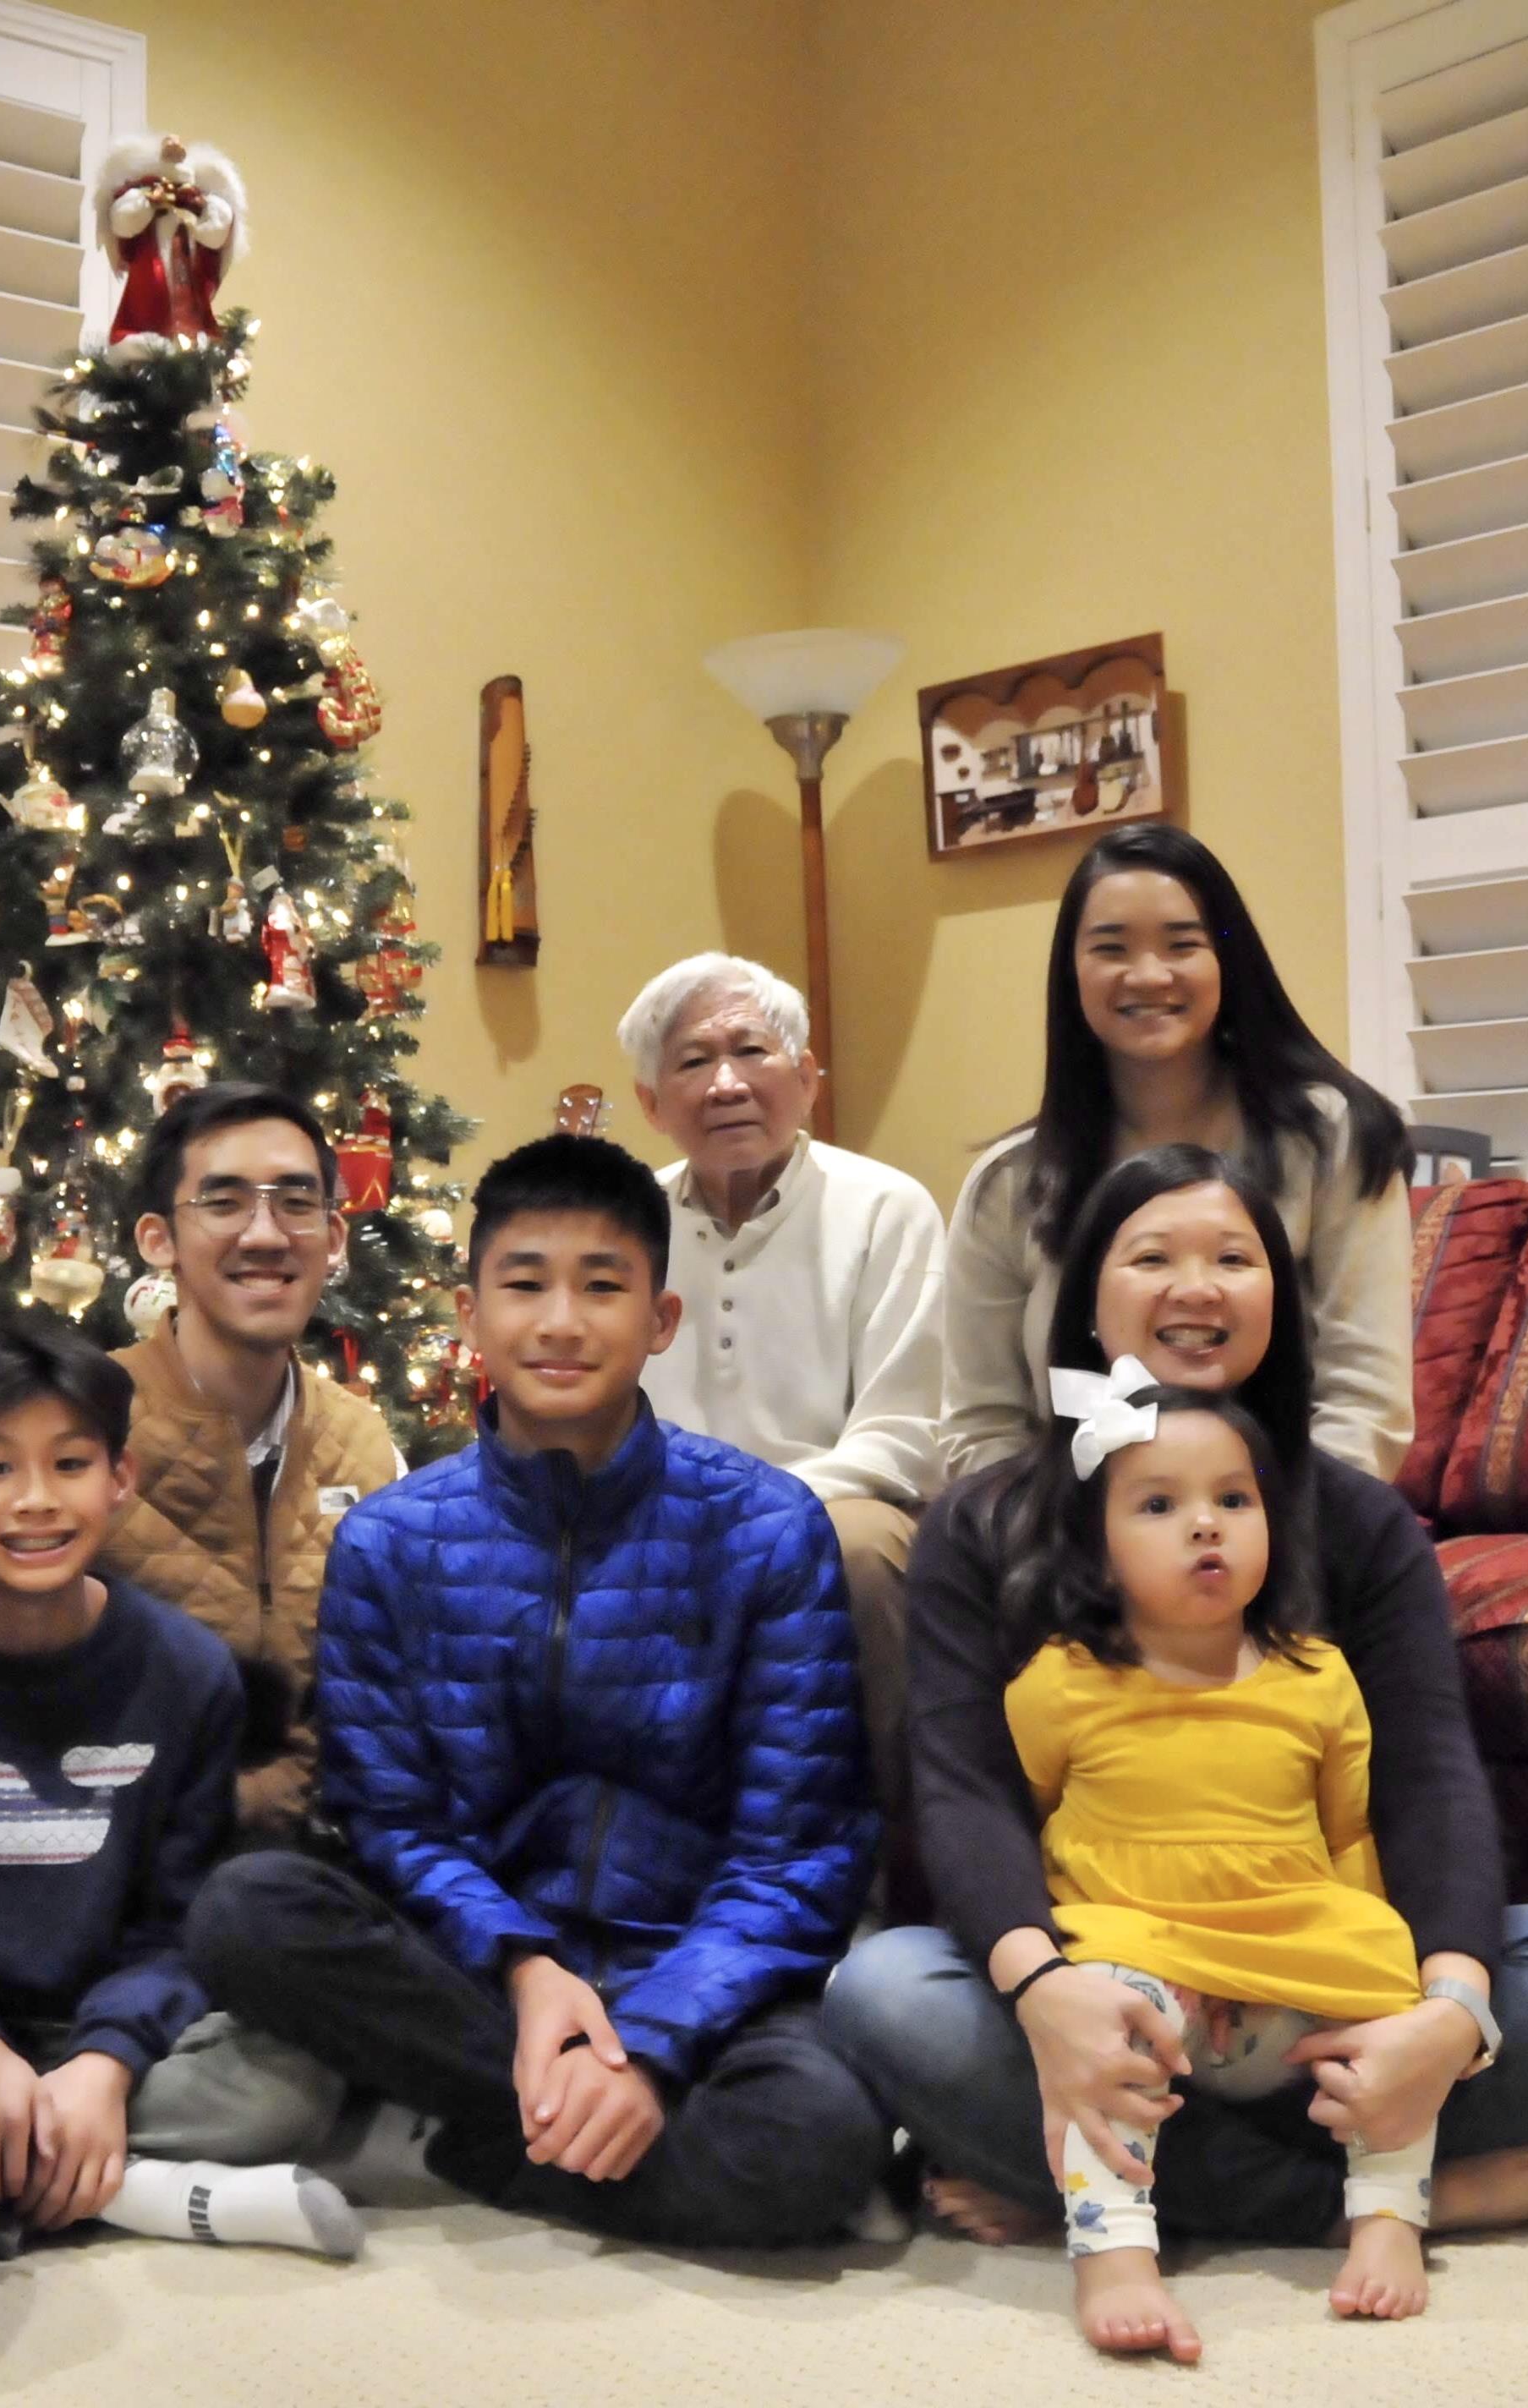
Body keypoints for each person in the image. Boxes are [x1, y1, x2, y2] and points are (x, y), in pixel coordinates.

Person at [824, 1147, 1528, 2361]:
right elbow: (961, 1788)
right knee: (884, 1991)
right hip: (1107, 1984)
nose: (1194, 1287)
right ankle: (1366, 2201)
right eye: (1150, 1257)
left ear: (1283, 1296)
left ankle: (1106, 2193)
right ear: (1086, 1299)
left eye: (1233, 1258)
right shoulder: (983, 1522)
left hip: (1317, 1989)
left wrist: (1449, 2016)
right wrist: (1043, 1991)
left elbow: (1423, 1773)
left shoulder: (1356, 1521)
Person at [185, 1134, 890, 2251]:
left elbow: (797, 1849)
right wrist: (525, 1969)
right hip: (481, 1968)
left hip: (697, 1963)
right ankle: (555, 2109)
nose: (560, 1321)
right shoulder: (391, 1541)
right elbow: (389, 1818)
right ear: (469, 1313)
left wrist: (653, 2047)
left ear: (659, 1323)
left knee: (815, 2143)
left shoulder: (763, 1525)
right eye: (525, 1284)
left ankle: (476, 2135)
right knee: (248, 1910)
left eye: (601, 1286)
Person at [0, 1314, 359, 2262]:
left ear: (119, 1480)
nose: (35, 1502)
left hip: (96, 2022)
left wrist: (105, 2063)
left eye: (69, 1465)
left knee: (291, 2082)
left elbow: (173, 1922)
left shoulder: (184, 1671)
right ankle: (119, 2187)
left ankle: (10, 2170)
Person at [994, 1376, 1438, 2353]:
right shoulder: (1060, 1682)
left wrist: (1361, 1969)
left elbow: (1348, 1833)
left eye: (1232, 1501)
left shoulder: (1316, 1673)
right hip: (1139, 1959)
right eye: (1158, 1505)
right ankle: (1112, 2249)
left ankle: (1385, 2218)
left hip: (1289, 1966)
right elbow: (1009, 1827)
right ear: (1095, 1547)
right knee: (1100, 2018)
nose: (1205, 1526)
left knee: (1397, 2006)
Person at [937, 825, 1416, 1486]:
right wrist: (1063, 1547)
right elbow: (982, 1426)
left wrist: (1267, 1533)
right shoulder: (1009, 1185)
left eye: (1181, 945)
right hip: (1068, 1551)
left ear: (1227, 959)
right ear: (1071, 974)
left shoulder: (1329, 1139)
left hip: (1290, 1535)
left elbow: (1364, 1400)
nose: (1148, 975)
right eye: (1111, 949)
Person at [616, 951, 947, 1848]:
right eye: (692, 1061)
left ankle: (895, 1857)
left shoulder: (885, 1207)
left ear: (804, 1079)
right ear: (651, 1104)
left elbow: (906, 1435)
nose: (724, 1083)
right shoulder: (625, 1223)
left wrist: (757, 1517)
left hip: (838, 1512)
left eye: (749, 1052)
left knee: (863, 1552)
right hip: (661, 1516)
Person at [101, 1085, 403, 1845]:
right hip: (116, 1882)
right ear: (158, 1239)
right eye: (224, 1203)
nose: (265, 1235)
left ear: (333, 1239)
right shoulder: (82, 1429)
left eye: (295, 1203)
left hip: (320, 1873)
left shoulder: (366, 1446)